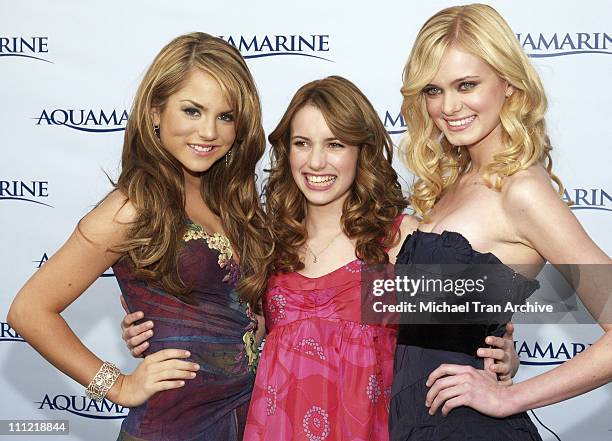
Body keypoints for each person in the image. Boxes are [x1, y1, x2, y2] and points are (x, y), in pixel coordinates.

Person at [122, 76, 521, 440]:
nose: (316, 162)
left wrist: (501, 355)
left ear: (360, 152)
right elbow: (239, 331)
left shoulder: (400, 239)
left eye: (334, 144)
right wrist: (161, 325)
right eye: (302, 143)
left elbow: (472, 340)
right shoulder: (265, 241)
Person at [7, 32, 269, 441]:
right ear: (154, 112)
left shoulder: (230, 198)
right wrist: (116, 385)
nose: (209, 131)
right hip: (172, 427)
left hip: (247, 416)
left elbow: (227, 303)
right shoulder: (132, 207)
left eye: (225, 116)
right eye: (192, 110)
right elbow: (28, 312)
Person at [390, 4, 612, 440]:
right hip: (417, 424)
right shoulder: (449, 186)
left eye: (466, 85)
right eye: (433, 90)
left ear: (507, 83)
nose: (448, 106)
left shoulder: (522, 190)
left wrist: (513, 396)